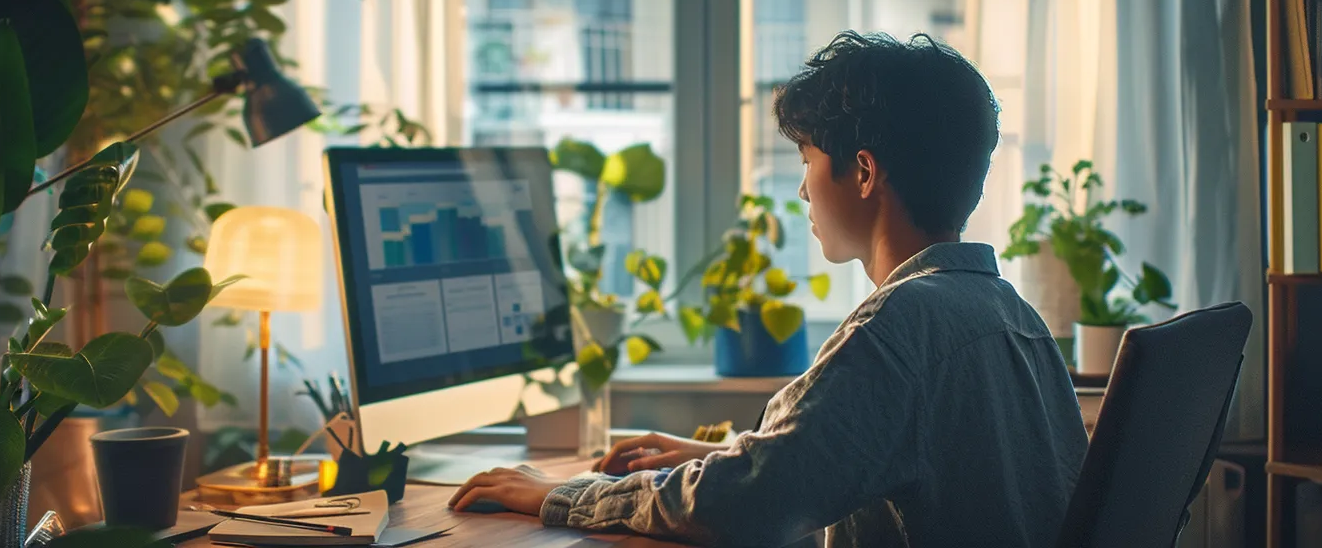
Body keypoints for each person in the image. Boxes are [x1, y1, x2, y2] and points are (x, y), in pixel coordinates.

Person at [449, 31, 1087, 547]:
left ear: (863, 172)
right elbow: (870, 457)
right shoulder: (1010, 315)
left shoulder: (898, 327)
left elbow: (744, 506)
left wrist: (558, 495)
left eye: (808, 161)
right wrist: (724, 453)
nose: (805, 190)